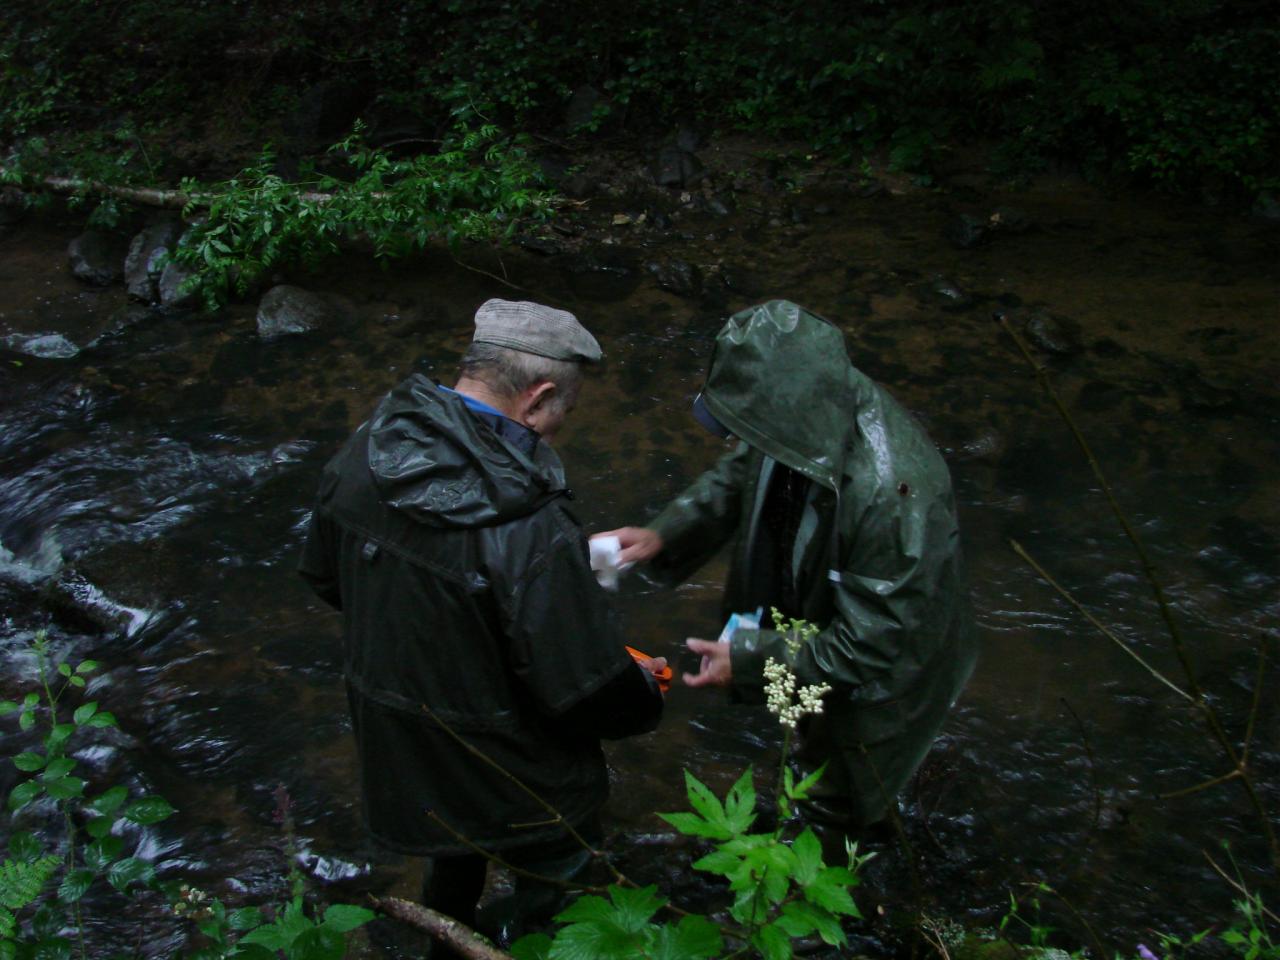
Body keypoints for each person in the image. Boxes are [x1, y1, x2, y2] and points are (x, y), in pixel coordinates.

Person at [299, 298, 666, 951]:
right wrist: (640, 689)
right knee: (563, 897)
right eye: (563, 413)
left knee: (452, 858)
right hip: (523, 774)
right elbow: (581, 689)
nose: (557, 430)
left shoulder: (365, 451)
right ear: (538, 396)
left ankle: (447, 940)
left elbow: (329, 581)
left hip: (407, 751)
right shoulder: (530, 522)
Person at [600, 299, 974, 831]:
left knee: (844, 788)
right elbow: (741, 472)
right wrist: (665, 534)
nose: (736, 438)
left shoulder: (893, 497)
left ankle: (831, 870)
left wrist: (749, 661)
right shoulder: (802, 405)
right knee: (811, 734)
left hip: (891, 663)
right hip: (836, 608)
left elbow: (870, 647)